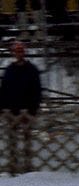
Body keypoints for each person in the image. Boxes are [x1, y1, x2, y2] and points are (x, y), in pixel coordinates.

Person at [0, 41, 42, 175]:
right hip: (12, 111)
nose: (19, 53)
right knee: (12, 139)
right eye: (16, 51)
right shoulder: (9, 70)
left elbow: (37, 90)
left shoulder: (32, 70)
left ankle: (27, 168)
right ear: (13, 53)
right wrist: (2, 108)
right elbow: (4, 90)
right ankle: (13, 167)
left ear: (25, 52)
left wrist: (33, 110)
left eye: (21, 51)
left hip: (27, 112)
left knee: (27, 139)